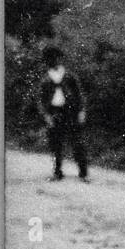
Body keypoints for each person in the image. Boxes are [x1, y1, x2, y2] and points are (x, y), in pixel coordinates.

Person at [37, 45, 89, 182]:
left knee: (77, 142)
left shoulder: (69, 76)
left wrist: (82, 111)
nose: (52, 61)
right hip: (54, 112)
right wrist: (46, 115)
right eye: (49, 58)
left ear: (59, 58)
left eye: (55, 58)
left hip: (70, 111)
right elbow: (42, 100)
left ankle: (83, 173)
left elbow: (80, 95)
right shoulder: (46, 79)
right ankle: (57, 172)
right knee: (56, 143)